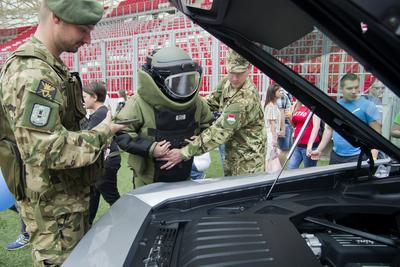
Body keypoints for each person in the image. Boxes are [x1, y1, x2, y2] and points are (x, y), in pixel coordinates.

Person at [0, 1, 126, 265]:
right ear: (57, 18)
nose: (89, 39)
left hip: (65, 202)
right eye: (83, 29)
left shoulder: (50, 66)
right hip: (54, 213)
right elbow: (44, 148)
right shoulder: (34, 74)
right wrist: (104, 131)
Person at [114, 47, 213, 187]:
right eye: (177, 81)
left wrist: (199, 140)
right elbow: (121, 132)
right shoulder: (138, 103)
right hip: (147, 180)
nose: (183, 87)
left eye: (188, 80)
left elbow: (208, 127)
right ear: (158, 81)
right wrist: (150, 148)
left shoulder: (198, 103)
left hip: (184, 174)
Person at [160, 49, 266, 176]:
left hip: (248, 161)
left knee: (244, 193)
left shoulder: (244, 100)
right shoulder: (227, 82)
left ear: (249, 68)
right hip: (233, 152)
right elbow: (209, 104)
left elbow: (220, 131)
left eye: (239, 73)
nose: (234, 78)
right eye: (231, 72)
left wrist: (184, 152)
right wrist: (184, 111)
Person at [311, 73, 381, 164]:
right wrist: (319, 150)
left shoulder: (368, 106)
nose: (354, 91)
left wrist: (373, 157)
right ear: (341, 89)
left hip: (358, 155)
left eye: (356, 87)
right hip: (336, 155)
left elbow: (376, 134)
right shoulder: (336, 105)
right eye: (349, 88)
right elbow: (328, 129)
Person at [82, 82, 121, 226]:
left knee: (112, 198)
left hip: (106, 162)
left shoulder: (100, 114)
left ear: (95, 97)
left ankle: (126, 223)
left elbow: (89, 139)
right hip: (105, 161)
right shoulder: (102, 112)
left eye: (85, 97)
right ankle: (88, 224)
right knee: (94, 195)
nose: (83, 100)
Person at [287, 102, 321, 169]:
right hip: (297, 144)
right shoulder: (297, 105)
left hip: (309, 146)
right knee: (291, 168)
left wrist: (310, 145)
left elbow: (316, 126)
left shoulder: (313, 107)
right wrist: (290, 118)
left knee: (309, 171)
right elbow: (295, 125)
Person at [264, 84, 282, 173]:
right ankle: (268, 172)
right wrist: (274, 139)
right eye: (279, 91)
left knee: (272, 155)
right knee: (269, 156)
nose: (281, 92)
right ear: (273, 93)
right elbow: (272, 125)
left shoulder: (274, 105)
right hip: (271, 135)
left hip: (273, 134)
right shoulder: (271, 106)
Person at [277, 89, 293, 165]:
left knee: (285, 149)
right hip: (284, 124)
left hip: (286, 123)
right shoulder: (282, 94)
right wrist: (283, 129)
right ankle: (278, 169)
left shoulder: (287, 93)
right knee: (283, 149)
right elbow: (281, 112)